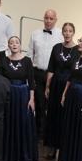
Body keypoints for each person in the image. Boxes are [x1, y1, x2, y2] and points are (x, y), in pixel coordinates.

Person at [0, 36, 37, 161]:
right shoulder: (3, 60)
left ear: (20, 45)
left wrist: (31, 99)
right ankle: (9, 156)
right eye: (11, 43)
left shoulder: (27, 61)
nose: (14, 44)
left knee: (23, 123)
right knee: (9, 123)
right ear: (8, 46)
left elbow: (31, 81)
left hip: (23, 94)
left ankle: (23, 156)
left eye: (17, 42)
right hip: (8, 95)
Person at [43, 22, 80, 160]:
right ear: (62, 33)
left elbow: (76, 71)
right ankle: (52, 148)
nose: (67, 33)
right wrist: (47, 86)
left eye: (70, 31)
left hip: (69, 86)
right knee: (53, 115)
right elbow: (51, 68)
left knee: (66, 116)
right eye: (65, 31)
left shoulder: (77, 50)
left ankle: (65, 149)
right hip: (56, 84)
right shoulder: (56, 47)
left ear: (73, 33)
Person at [27, 9, 62, 137]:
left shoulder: (61, 34)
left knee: (53, 104)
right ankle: (39, 132)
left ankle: (51, 132)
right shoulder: (35, 33)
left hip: (54, 74)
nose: (48, 21)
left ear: (56, 20)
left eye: (51, 18)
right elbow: (30, 54)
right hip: (38, 72)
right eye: (46, 18)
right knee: (39, 103)